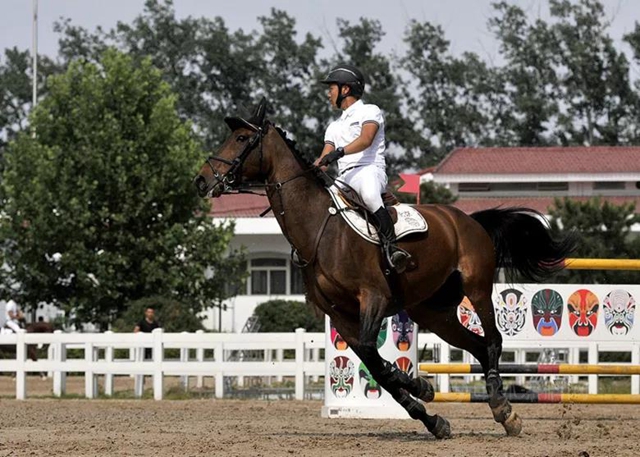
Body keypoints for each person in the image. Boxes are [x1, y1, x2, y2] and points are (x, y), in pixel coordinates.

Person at [316, 64, 411, 273]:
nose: (328, 94)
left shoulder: (370, 111)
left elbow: (366, 139)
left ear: (345, 89)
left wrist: (339, 152)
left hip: (369, 169)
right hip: (345, 177)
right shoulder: (333, 126)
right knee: (320, 204)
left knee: (369, 195)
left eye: (331, 88)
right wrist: (309, 169)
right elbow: (325, 156)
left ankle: (392, 248)